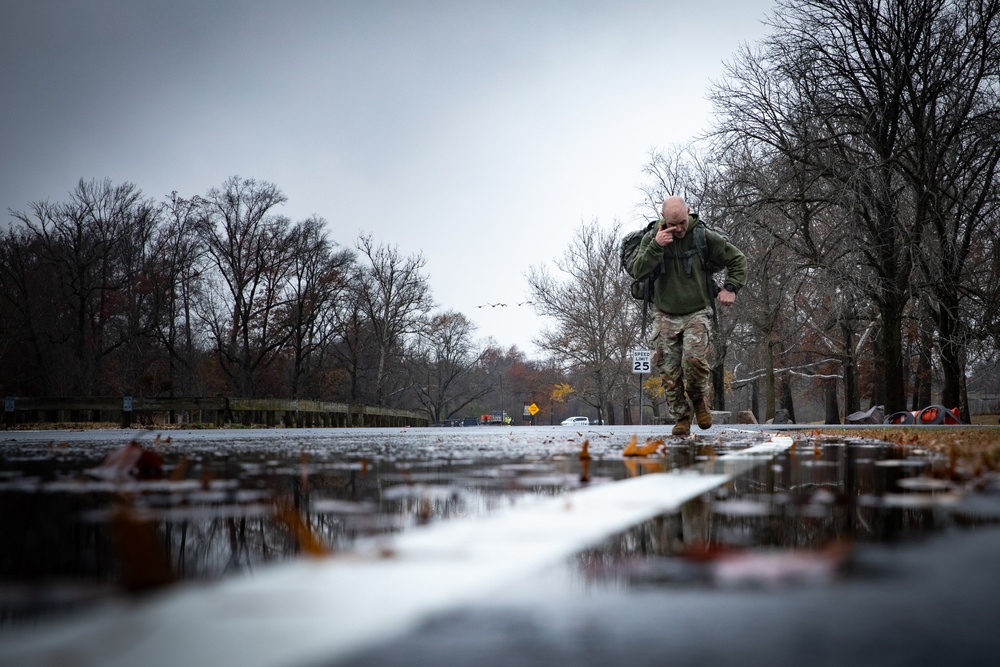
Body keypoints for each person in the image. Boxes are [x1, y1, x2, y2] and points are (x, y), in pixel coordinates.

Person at [631, 196, 747, 436]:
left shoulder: (702, 236)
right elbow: (638, 270)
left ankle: (698, 398)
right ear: (664, 219)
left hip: (697, 310)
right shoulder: (653, 238)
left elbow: (737, 259)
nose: (679, 229)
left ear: (689, 212)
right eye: (673, 224)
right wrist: (656, 246)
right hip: (664, 314)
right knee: (669, 371)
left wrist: (731, 287)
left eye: (682, 222)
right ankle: (681, 418)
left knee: (693, 361)